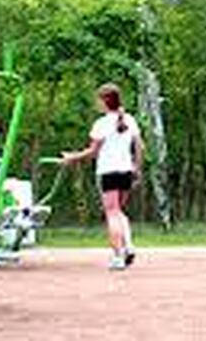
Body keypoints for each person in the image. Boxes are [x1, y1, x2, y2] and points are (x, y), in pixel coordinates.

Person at [60, 84, 144, 271]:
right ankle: (129, 246)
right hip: (126, 171)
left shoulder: (101, 124)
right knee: (119, 211)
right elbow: (140, 147)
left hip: (108, 171)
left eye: (98, 100)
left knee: (112, 213)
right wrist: (137, 169)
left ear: (105, 101)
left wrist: (72, 158)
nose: (96, 103)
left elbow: (92, 152)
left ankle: (118, 256)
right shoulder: (129, 119)